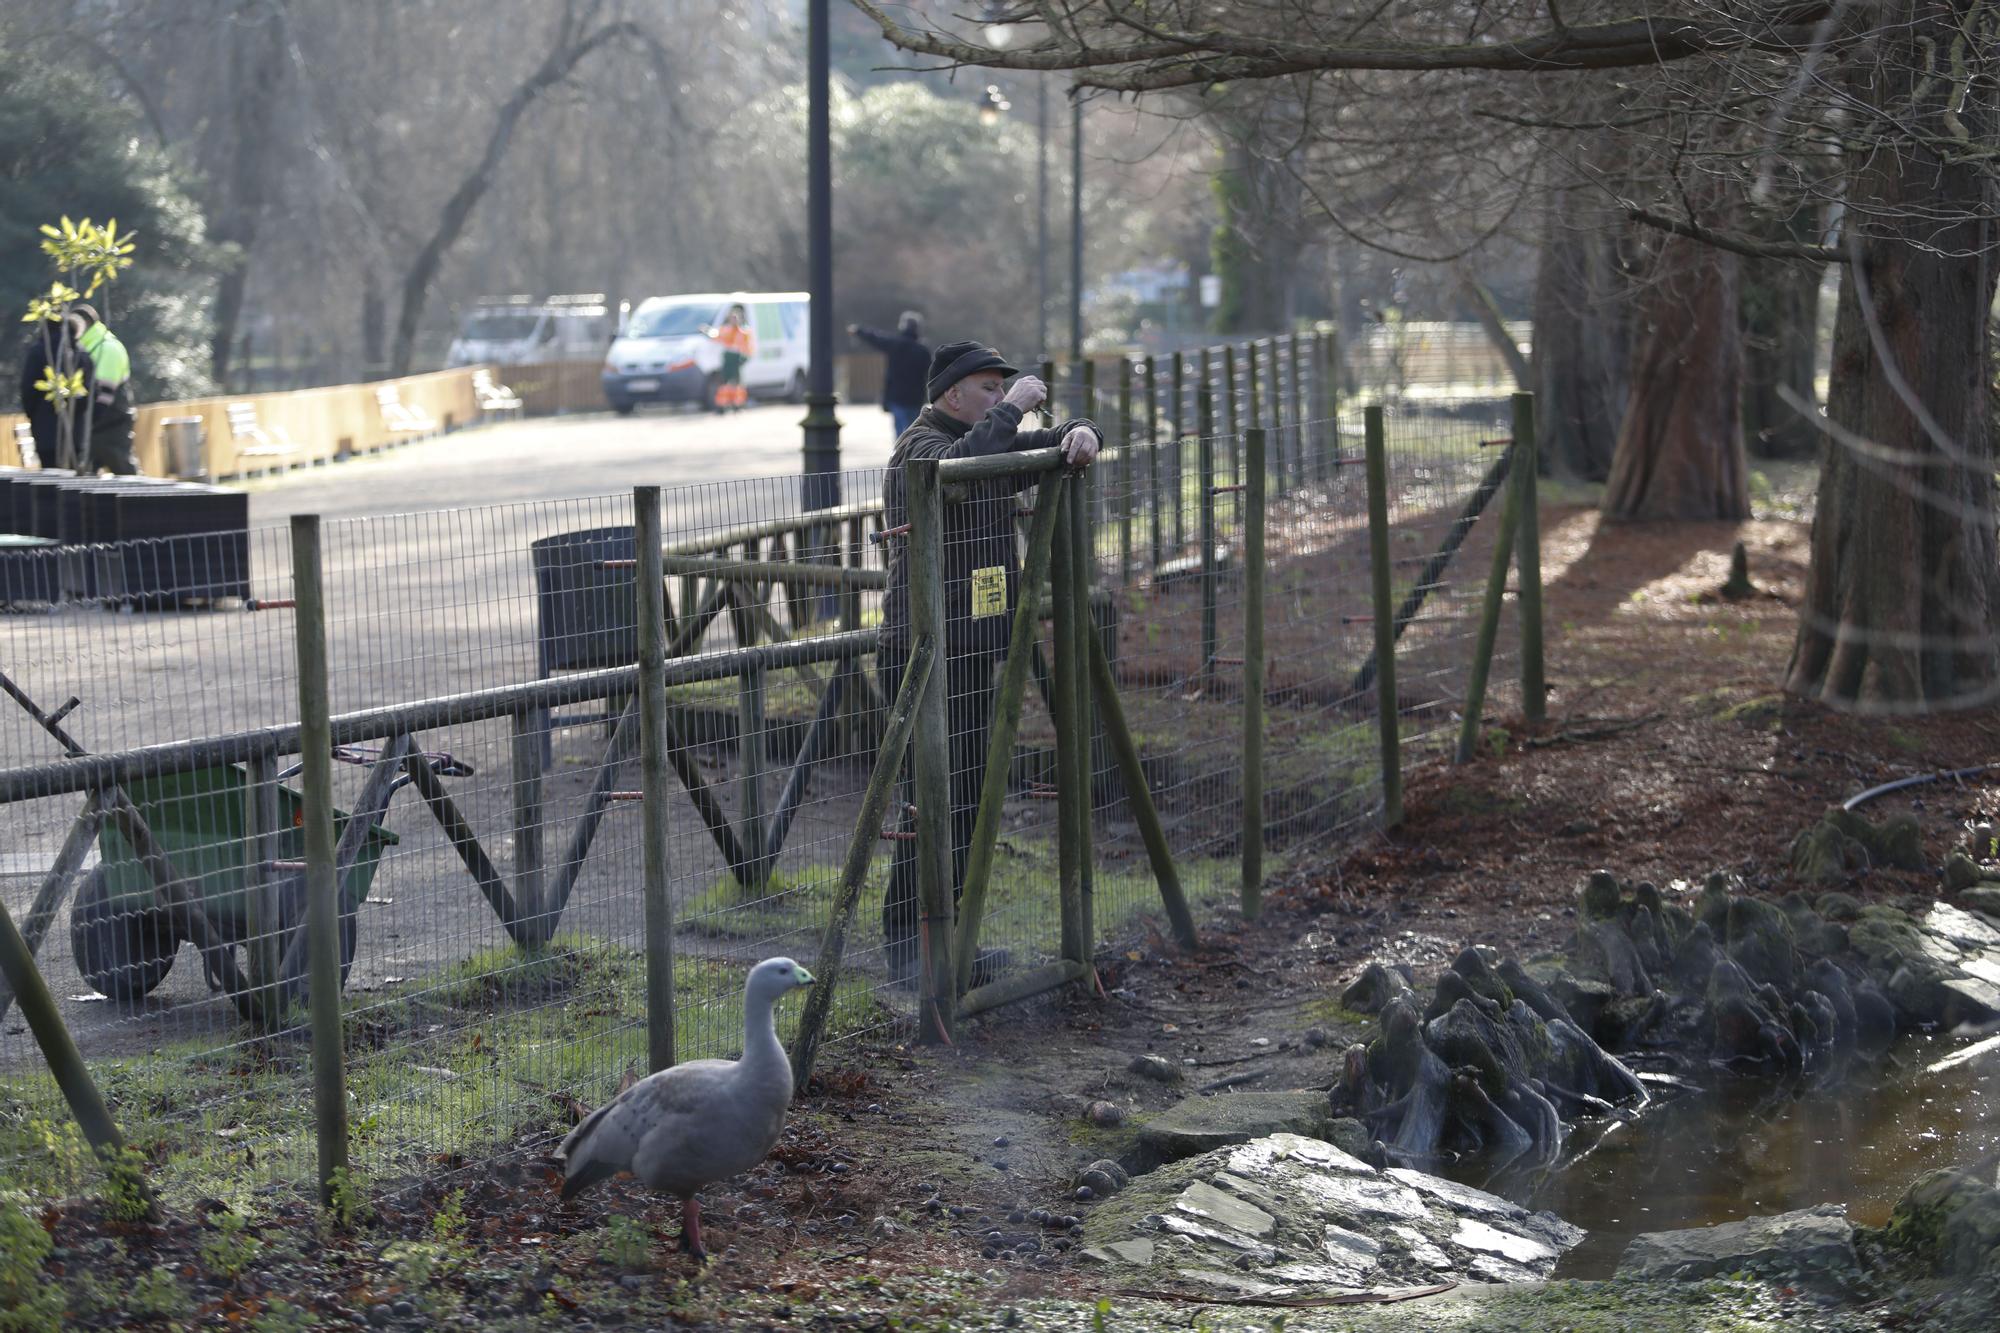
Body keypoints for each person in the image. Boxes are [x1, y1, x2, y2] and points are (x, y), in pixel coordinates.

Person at [876, 339, 1102, 985]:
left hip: (974, 650)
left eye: (1003, 391)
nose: (1001, 400)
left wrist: (1082, 431)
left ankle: (953, 944)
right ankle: (910, 954)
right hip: (921, 654)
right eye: (988, 390)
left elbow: (1057, 438)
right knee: (930, 805)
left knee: (969, 803)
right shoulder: (921, 445)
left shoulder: (988, 437)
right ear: (952, 394)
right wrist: (1018, 410)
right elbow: (953, 471)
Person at [16, 311, 94, 470]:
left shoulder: (38, 352)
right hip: (76, 432)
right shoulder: (81, 353)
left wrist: (34, 416)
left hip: (45, 429)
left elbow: (28, 389)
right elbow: (91, 392)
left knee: (50, 480)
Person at [72, 303, 136, 475]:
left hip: (111, 422)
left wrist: (89, 419)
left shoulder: (106, 348)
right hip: (100, 423)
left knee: (123, 471)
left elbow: (105, 393)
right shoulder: (91, 346)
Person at [846, 311, 929, 436]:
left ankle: (899, 454)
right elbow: (931, 372)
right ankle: (911, 453)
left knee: (899, 433)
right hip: (915, 397)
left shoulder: (894, 344)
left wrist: (858, 331)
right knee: (913, 431)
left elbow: (876, 338)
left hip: (897, 395)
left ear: (902, 326)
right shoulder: (922, 350)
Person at [702, 304, 754, 411]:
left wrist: (746, 358)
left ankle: (737, 405)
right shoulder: (725, 330)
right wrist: (706, 330)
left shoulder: (744, 332)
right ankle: (722, 405)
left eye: (736, 318)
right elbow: (715, 335)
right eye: (732, 318)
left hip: (737, 358)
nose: (734, 320)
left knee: (737, 383)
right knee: (724, 383)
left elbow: (748, 346)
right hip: (728, 357)